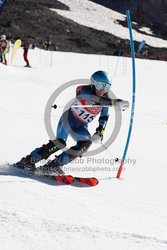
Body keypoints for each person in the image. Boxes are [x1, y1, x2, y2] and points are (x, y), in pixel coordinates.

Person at [15, 70, 129, 174]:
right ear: (93, 83)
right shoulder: (83, 90)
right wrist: (114, 102)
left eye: (107, 87)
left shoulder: (107, 99)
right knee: (60, 143)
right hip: (68, 120)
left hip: (81, 126)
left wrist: (100, 131)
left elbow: (104, 116)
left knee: (85, 144)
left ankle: (53, 166)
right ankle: (28, 161)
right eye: (100, 85)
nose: (103, 90)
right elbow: (94, 99)